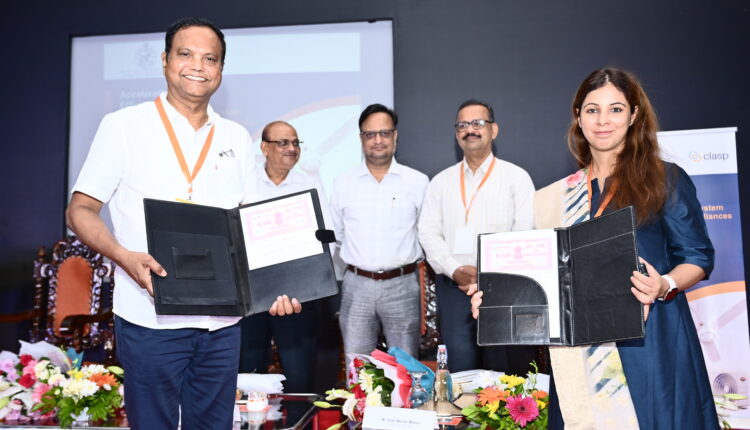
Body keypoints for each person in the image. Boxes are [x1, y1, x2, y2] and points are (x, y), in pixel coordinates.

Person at [66, 17, 300, 430]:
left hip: (222, 324)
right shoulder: (123, 126)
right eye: (186, 54)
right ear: (165, 60)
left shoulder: (235, 137)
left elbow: (252, 226)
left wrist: (279, 283)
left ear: (221, 69)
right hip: (149, 318)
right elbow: (80, 210)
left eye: (210, 58)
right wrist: (124, 256)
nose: (198, 66)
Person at [472, 68, 718, 429]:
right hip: (578, 349)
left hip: (649, 338)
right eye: (592, 110)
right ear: (578, 116)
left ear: (633, 115)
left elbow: (697, 257)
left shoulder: (665, 178)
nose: (603, 120)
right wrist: (495, 302)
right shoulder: (555, 196)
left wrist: (663, 284)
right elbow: (544, 280)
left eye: (615, 109)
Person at [418, 99, 537, 373]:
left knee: (503, 371)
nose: (469, 130)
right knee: (461, 371)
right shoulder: (441, 182)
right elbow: (428, 232)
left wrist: (488, 274)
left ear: (493, 130)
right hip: (454, 289)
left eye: (477, 123)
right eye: (462, 125)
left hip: (503, 288)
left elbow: (525, 231)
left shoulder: (516, 178)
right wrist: (454, 269)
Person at [330, 103, 429, 358]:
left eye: (384, 133)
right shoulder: (343, 183)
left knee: (406, 365)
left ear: (395, 136)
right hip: (357, 284)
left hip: (402, 284)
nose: (377, 140)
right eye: (370, 134)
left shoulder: (418, 182)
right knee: (358, 365)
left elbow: (426, 233)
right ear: (361, 138)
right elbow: (337, 236)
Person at [240, 121, 331, 392]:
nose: (291, 148)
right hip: (253, 293)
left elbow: (327, 233)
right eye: (283, 143)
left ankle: (297, 416)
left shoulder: (310, 184)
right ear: (264, 148)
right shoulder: (246, 183)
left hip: (296, 294)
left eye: (295, 143)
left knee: (299, 377)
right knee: (248, 375)